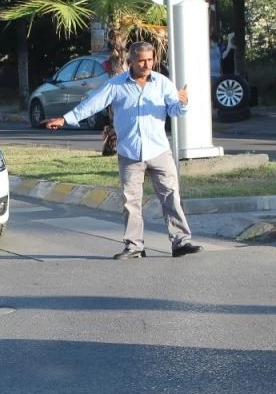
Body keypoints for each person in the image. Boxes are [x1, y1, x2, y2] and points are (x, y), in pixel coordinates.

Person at [41, 41, 202, 259]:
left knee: (171, 197)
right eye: (141, 60)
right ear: (131, 62)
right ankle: (134, 246)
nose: (146, 64)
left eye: (150, 59)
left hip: (159, 151)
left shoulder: (163, 83)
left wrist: (183, 103)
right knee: (131, 202)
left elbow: (174, 111)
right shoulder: (116, 85)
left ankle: (181, 242)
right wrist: (65, 119)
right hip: (130, 152)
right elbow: (92, 103)